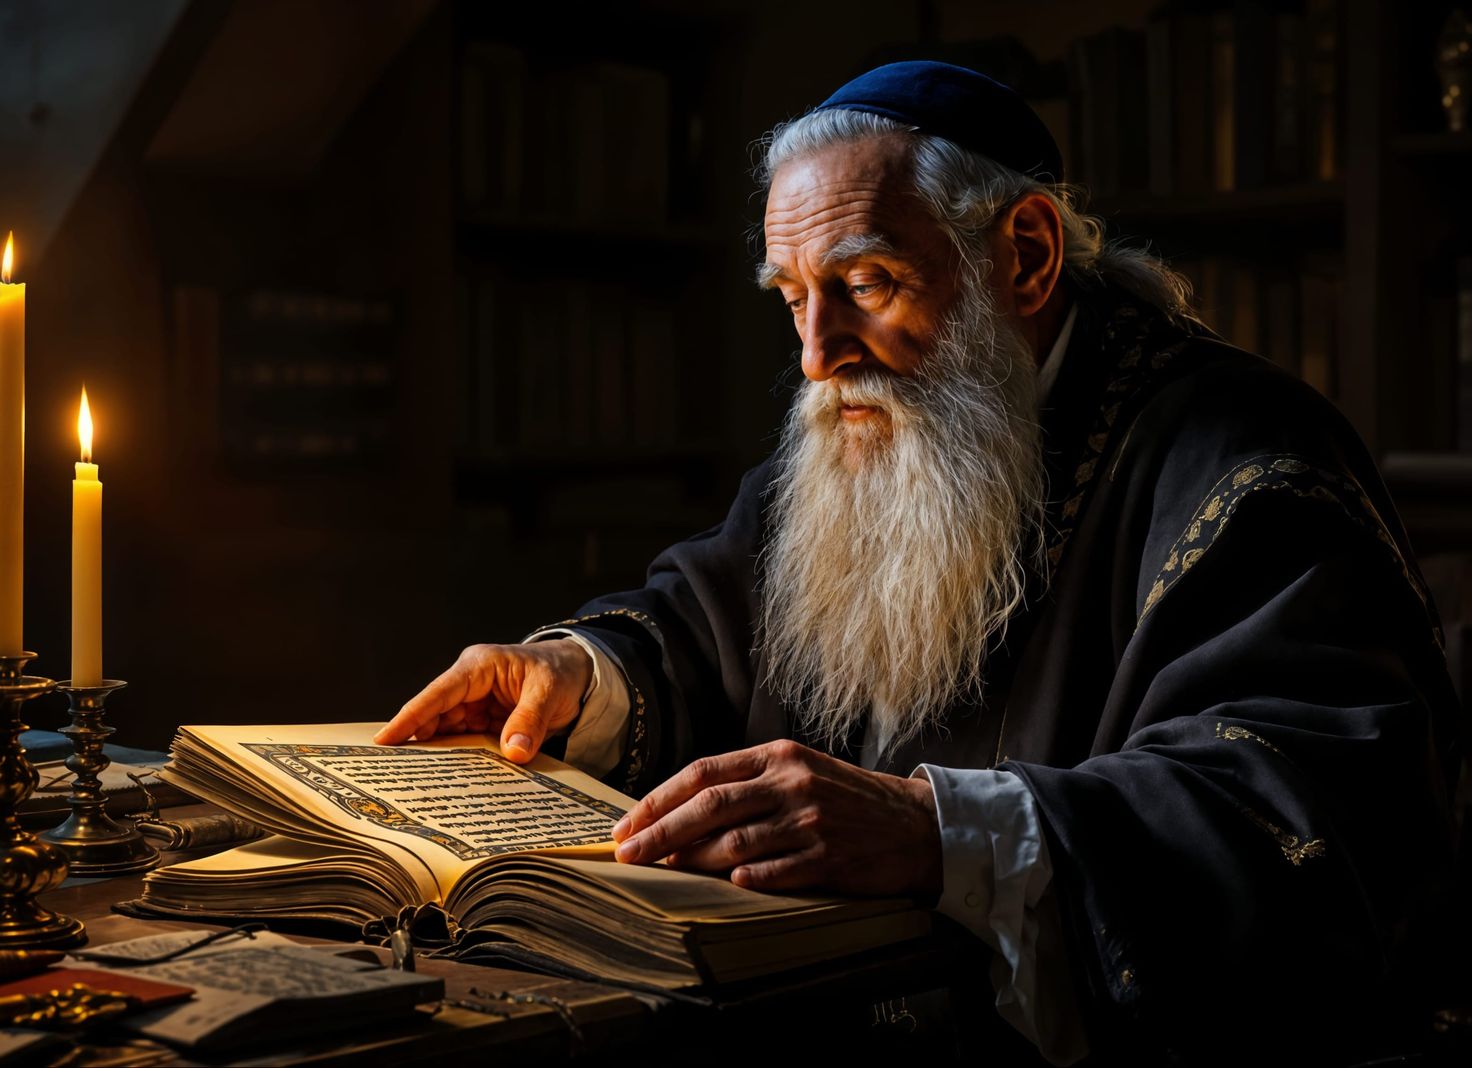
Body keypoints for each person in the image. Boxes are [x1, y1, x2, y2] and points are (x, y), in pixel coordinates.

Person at [379, 62, 1459, 1063]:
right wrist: (580, 679)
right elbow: (703, 618)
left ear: (1025, 254)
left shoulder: (1248, 464)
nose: (816, 356)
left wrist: (938, 832)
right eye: (790, 297)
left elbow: (1299, 816)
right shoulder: (867, 421)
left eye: (867, 283)